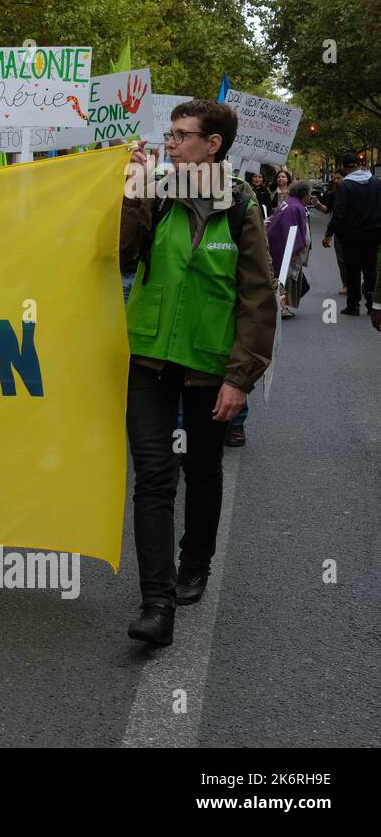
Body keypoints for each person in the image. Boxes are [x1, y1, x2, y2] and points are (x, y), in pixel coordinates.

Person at [119, 100, 277, 646]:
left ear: (213, 145)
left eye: (183, 136)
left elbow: (257, 296)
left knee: (203, 468)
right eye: (171, 133)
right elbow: (120, 255)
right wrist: (133, 193)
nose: (172, 143)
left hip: (210, 366)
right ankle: (156, 604)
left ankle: (196, 562)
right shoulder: (155, 191)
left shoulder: (240, 204)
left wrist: (240, 378)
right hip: (148, 357)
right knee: (155, 476)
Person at [322, 152, 381, 316]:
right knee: (371, 268)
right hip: (374, 232)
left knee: (353, 270)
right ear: (358, 164)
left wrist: (329, 233)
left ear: (344, 167)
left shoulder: (345, 185)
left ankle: (353, 305)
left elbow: (339, 215)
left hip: (352, 234)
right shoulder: (375, 182)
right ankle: (372, 304)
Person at [266, 180, 312, 319]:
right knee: (283, 276)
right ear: (304, 194)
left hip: (274, 241)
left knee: (283, 277)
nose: (310, 197)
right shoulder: (295, 207)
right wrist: (294, 250)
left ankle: (281, 305)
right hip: (281, 245)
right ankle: (281, 306)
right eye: (309, 194)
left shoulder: (290, 203)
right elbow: (291, 231)